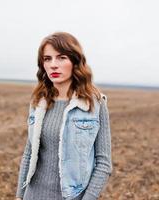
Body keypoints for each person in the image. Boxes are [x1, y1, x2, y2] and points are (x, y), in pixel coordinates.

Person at [15, 32, 112, 200]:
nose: (53, 65)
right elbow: (29, 153)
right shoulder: (38, 102)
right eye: (47, 59)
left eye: (61, 58)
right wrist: (19, 196)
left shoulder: (95, 104)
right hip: (33, 195)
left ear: (75, 61)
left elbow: (103, 164)